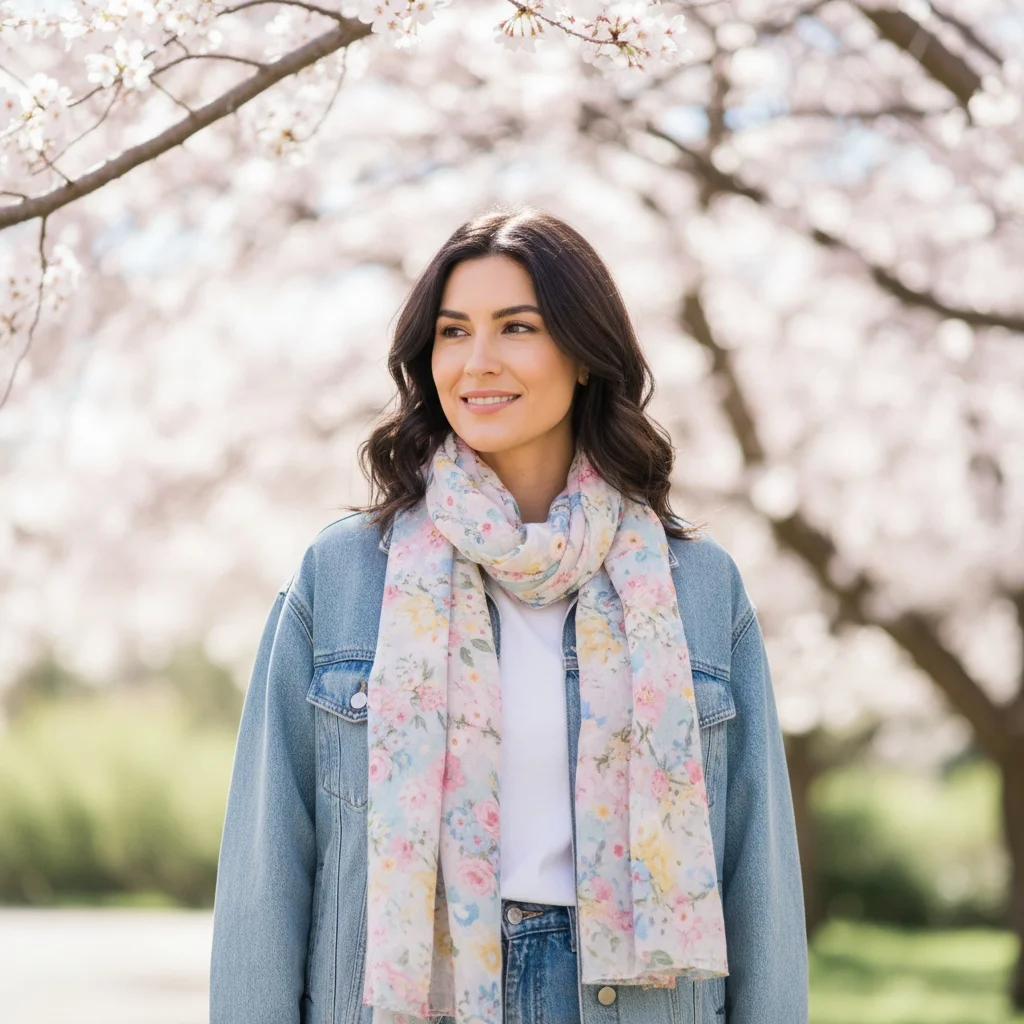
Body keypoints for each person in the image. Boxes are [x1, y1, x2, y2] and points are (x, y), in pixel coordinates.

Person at [209, 207, 808, 1024]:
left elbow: (760, 878)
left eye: (516, 327)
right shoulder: (342, 576)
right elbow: (264, 873)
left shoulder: (698, 587)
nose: (477, 361)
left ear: (585, 355)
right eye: (453, 332)